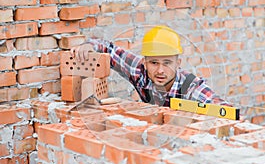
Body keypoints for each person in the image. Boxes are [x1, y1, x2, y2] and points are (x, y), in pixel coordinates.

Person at [70, 25, 232, 107]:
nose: (160, 70)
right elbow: (110, 50)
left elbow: (219, 106)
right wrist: (88, 45)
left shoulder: (189, 87)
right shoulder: (139, 72)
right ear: (144, 62)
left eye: (167, 63)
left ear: (178, 63)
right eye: (154, 62)